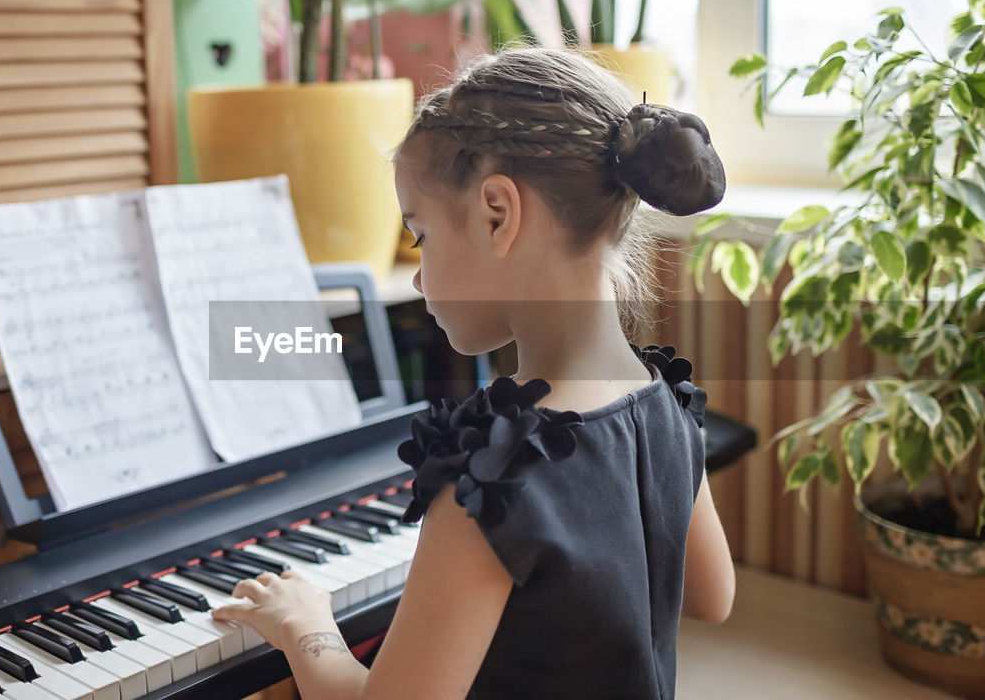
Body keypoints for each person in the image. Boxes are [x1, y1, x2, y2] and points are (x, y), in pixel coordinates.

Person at [211, 47, 737, 699]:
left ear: (497, 213)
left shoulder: (495, 472)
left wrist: (308, 630)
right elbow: (714, 596)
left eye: (422, 234)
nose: (423, 273)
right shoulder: (664, 403)